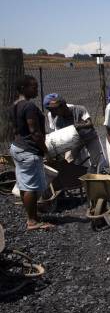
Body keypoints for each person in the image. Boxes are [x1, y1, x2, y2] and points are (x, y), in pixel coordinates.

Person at [10, 76, 53, 230]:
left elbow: (16, 130)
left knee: (24, 184)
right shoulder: (28, 106)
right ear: (23, 88)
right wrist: (46, 150)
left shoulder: (15, 105)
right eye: (33, 87)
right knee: (31, 187)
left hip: (18, 147)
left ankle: (31, 216)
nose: (36, 89)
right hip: (29, 150)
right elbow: (34, 132)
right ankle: (32, 221)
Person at [43, 93, 102, 172]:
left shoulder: (79, 109)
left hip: (90, 137)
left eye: (55, 109)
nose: (54, 112)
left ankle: (94, 178)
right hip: (75, 141)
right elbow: (61, 137)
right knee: (68, 160)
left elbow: (90, 123)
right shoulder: (58, 121)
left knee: (95, 160)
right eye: (52, 110)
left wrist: (77, 126)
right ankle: (76, 177)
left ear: (63, 106)